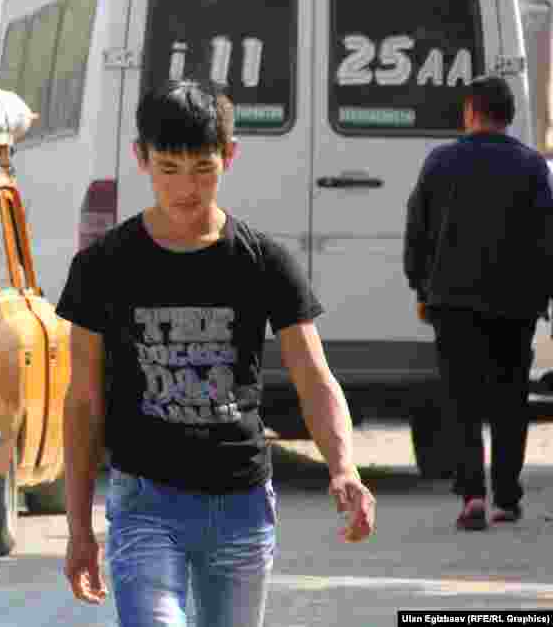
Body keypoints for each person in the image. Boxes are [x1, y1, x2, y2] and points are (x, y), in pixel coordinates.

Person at [57, 79, 376, 627]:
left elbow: (313, 376)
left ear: (229, 157)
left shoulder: (263, 261)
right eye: (169, 168)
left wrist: (343, 465)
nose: (186, 187)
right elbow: (83, 401)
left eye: (203, 168)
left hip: (241, 507)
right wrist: (79, 527)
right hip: (143, 503)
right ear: (142, 158)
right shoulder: (104, 265)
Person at [404, 74, 553, 531]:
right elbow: (548, 240)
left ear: (471, 111)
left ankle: (471, 495)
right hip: (516, 306)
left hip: (452, 302)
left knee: (460, 400)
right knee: (510, 402)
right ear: (507, 116)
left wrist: (421, 288)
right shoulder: (532, 167)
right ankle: (506, 497)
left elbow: (418, 233)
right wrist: (543, 296)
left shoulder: (441, 161)